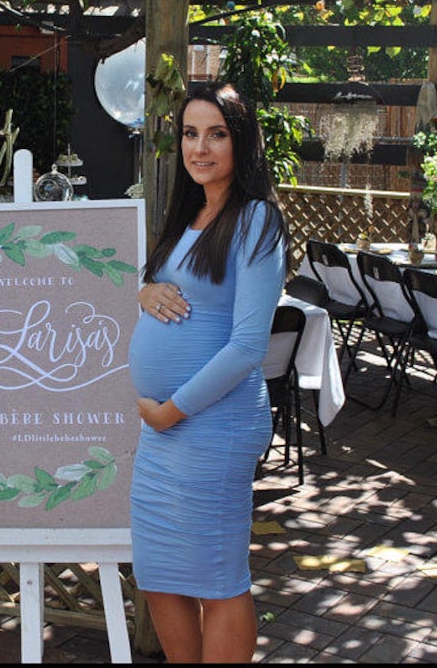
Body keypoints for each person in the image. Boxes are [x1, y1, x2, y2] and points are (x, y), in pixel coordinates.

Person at [127, 81, 290, 663]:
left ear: (241, 141)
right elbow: (174, 290)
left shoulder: (256, 220)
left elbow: (248, 346)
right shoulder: (191, 213)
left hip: (213, 425)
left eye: (216, 134)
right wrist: (144, 292)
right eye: (191, 134)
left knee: (217, 576)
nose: (200, 148)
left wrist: (170, 412)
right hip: (166, 429)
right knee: (157, 572)